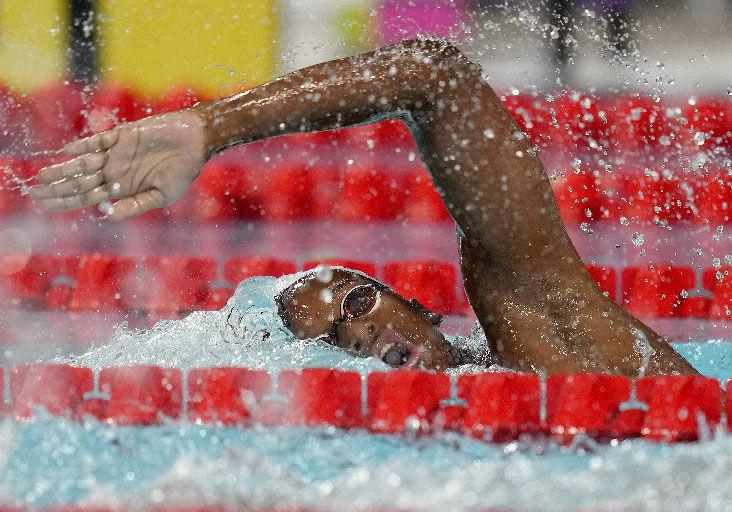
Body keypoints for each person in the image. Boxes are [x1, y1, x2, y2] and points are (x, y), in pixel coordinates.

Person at [29, 36, 696, 376]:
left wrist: (211, 128)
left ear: (415, 300)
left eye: (356, 306)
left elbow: (436, 75)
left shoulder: (548, 337)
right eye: (337, 344)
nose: (365, 337)